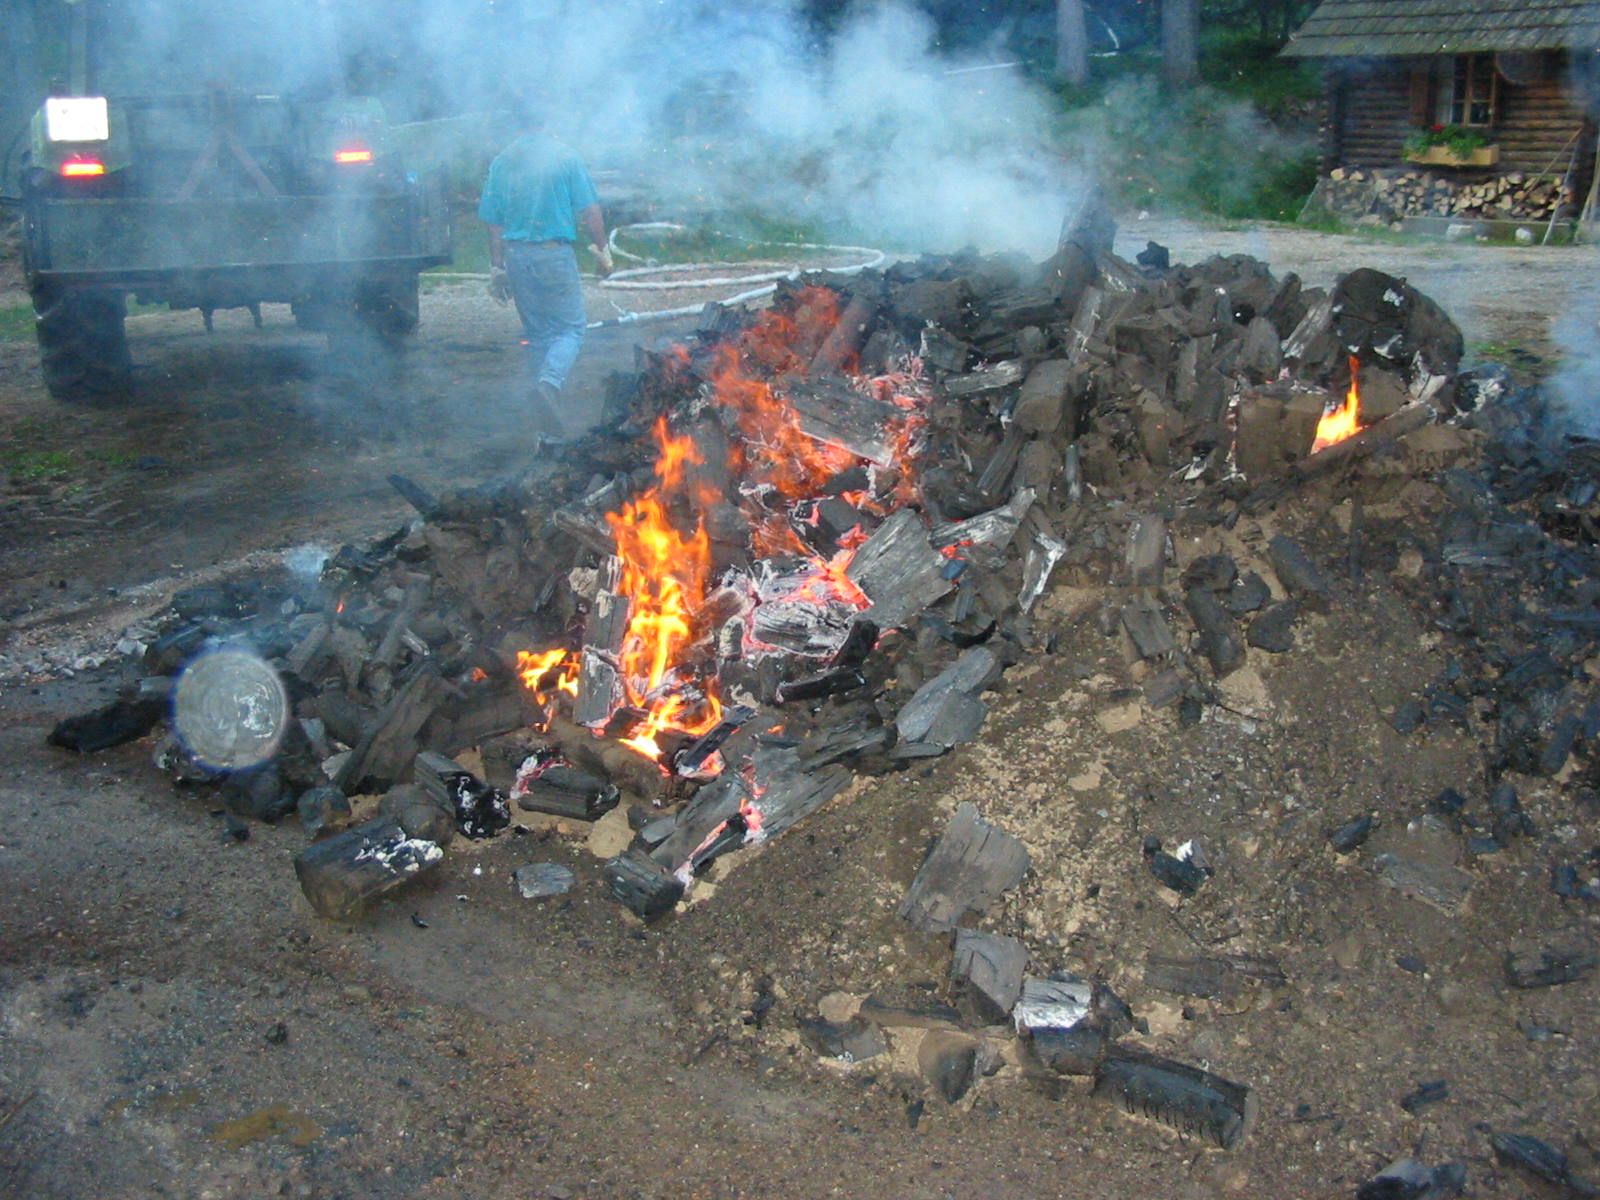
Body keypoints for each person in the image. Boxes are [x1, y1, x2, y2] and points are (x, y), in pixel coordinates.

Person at [479, 99, 613, 436]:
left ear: (517, 124)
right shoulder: (564, 157)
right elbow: (591, 211)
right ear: (547, 120)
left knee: (539, 336)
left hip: (518, 257)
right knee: (570, 329)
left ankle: (544, 428)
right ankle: (549, 385)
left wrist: (497, 267)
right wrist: (603, 252)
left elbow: (493, 223)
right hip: (554, 255)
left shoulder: (502, 162)